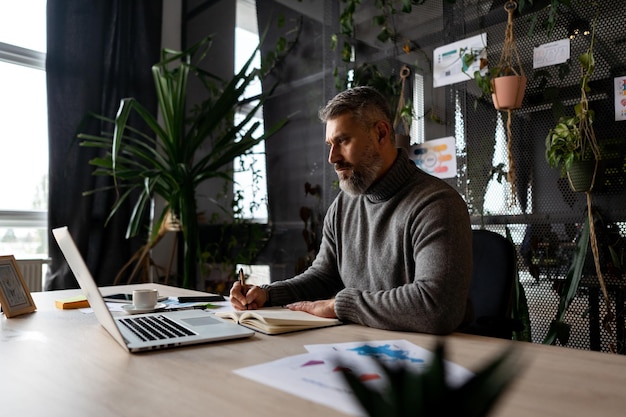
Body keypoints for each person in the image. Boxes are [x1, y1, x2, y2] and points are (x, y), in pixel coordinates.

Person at [230, 86, 473, 334]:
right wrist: (267, 294)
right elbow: (324, 277)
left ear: (380, 133)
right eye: (329, 145)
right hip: (361, 344)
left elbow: (436, 308)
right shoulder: (343, 206)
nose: (332, 158)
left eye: (343, 141)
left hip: (432, 358)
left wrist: (342, 305)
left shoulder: (436, 204)